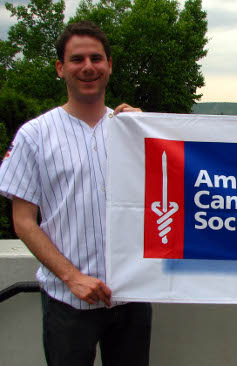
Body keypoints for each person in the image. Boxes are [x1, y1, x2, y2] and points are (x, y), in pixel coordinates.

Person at [0, 21, 152, 366]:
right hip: (68, 299)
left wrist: (151, 131)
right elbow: (23, 221)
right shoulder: (34, 135)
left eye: (97, 58)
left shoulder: (133, 131)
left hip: (131, 297)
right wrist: (73, 277)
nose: (88, 67)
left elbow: (170, 194)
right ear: (60, 68)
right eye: (77, 59)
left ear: (109, 65)